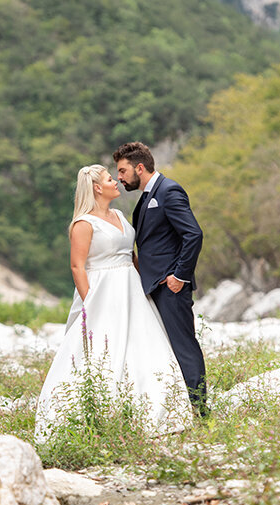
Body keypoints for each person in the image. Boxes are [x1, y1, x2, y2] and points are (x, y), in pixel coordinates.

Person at [35, 164, 191, 440]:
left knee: (144, 344)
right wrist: (91, 302)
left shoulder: (119, 214)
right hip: (103, 290)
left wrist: (145, 283)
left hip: (130, 286)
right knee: (103, 348)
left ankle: (158, 411)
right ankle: (99, 414)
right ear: (97, 187)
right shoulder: (84, 223)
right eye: (110, 179)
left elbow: (130, 254)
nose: (116, 182)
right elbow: (77, 267)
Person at [113, 142, 208, 415]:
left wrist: (180, 275)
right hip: (153, 286)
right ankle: (178, 407)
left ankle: (200, 411)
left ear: (139, 167)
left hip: (171, 287)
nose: (119, 177)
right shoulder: (145, 197)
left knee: (184, 345)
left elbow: (193, 234)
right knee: (166, 348)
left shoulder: (169, 190)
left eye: (122, 170)